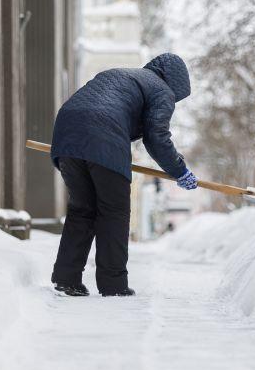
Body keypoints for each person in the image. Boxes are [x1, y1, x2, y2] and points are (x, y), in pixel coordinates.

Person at [49, 53, 198, 297]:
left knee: (82, 210)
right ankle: (113, 284)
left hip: (66, 133)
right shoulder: (162, 90)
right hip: (103, 136)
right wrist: (179, 170)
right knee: (114, 211)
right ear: (176, 84)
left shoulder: (122, 75)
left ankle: (67, 278)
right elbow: (156, 136)